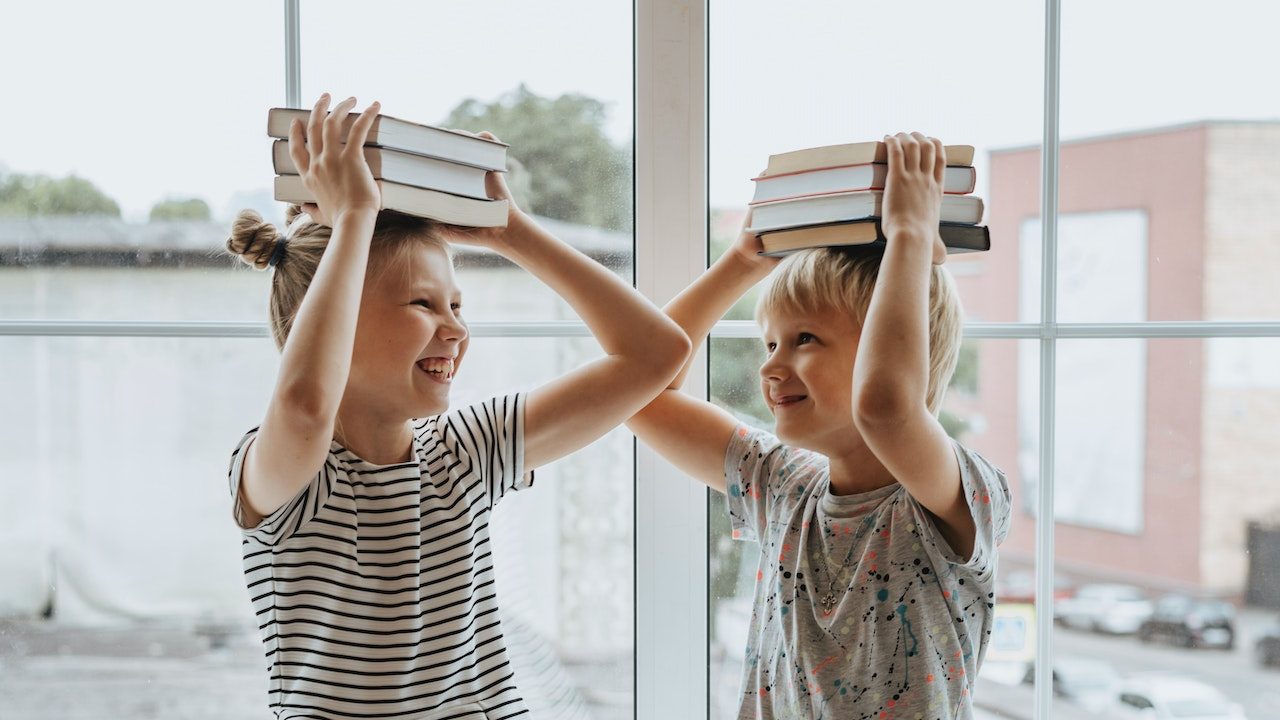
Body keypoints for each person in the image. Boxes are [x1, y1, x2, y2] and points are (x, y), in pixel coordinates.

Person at [223, 94, 690, 720]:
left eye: (458, 306)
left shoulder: (466, 450)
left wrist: (511, 233)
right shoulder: (292, 475)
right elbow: (307, 405)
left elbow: (656, 355)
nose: (456, 331)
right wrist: (356, 215)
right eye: (423, 305)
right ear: (332, 324)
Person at [627, 132, 1012, 718]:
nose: (771, 365)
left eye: (805, 339)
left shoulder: (955, 494)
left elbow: (885, 410)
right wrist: (740, 264)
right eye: (770, 342)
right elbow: (636, 392)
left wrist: (911, 235)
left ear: (899, 350)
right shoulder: (782, 483)